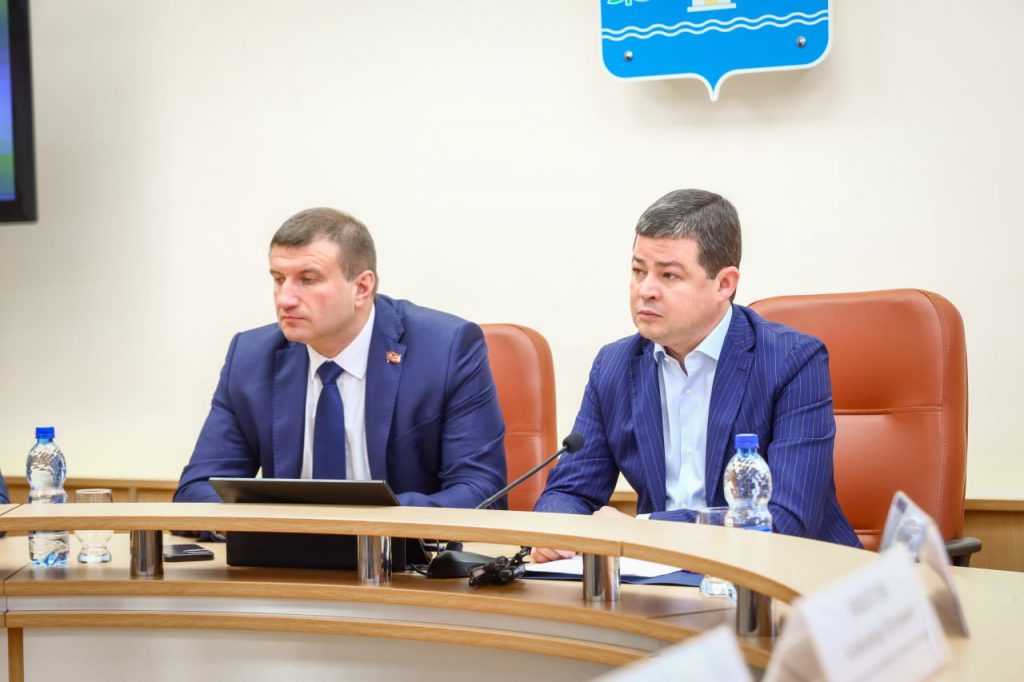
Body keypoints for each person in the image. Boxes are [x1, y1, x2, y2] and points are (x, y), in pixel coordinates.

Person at [532, 189, 859, 561]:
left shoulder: (792, 361)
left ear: (724, 284)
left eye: (669, 275)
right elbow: (569, 491)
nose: (646, 290)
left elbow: (786, 521)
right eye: (638, 271)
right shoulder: (614, 365)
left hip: (792, 577)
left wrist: (644, 531)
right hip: (661, 580)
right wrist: (556, 530)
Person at [174, 207, 507, 509]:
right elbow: (197, 489)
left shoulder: (445, 348)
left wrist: (367, 526)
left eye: (308, 280)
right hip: (286, 552)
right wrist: (278, 528)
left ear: (361, 288)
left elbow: (482, 492)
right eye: (278, 279)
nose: (285, 299)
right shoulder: (251, 357)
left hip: (401, 554)